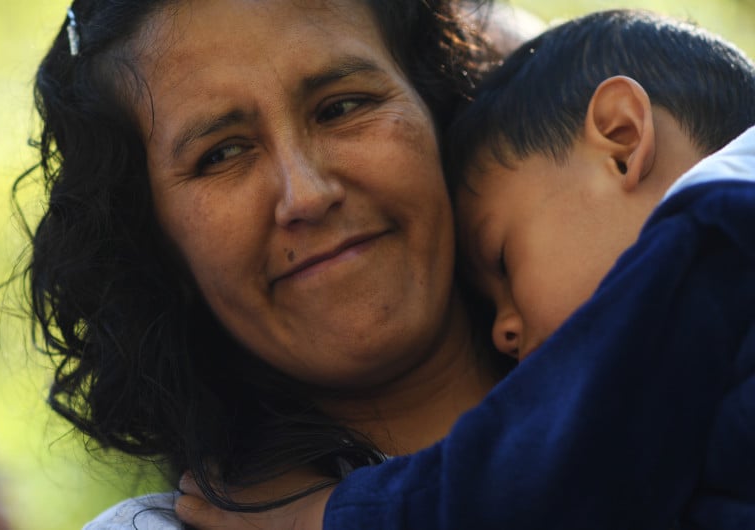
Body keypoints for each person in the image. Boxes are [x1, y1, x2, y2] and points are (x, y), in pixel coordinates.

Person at [176, 9, 755, 530]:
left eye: (503, 259)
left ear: (623, 140)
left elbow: (547, 477)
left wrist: (325, 517)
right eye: (221, 154)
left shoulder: (716, 232)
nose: (504, 329)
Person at [25, 1, 530, 528]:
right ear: (155, 246)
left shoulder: (621, 361)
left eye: (341, 107)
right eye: (222, 154)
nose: (307, 195)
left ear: (438, 103)